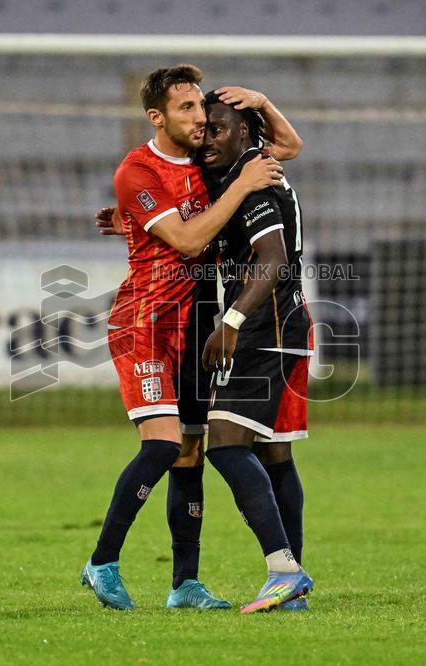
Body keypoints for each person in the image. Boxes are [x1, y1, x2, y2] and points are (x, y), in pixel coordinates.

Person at [88, 72, 304, 611]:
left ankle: (186, 584)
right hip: (148, 323)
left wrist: (261, 101)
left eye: (204, 114)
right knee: (169, 445)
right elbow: (187, 235)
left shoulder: (214, 165)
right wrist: (136, 218)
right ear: (157, 116)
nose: (200, 121)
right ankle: (102, 562)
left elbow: (283, 148)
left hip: (204, 321)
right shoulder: (141, 169)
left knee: (195, 448)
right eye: (187, 109)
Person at [199, 93, 314, 613]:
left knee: (224, 445)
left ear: (245, 133)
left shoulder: (252, 182)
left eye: (218, 130)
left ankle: (284, 569)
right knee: (274, 452)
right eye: (203, 131)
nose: (206, 141)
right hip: (287, 321)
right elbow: (291, 143)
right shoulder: (250, 166)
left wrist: (231, 321)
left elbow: (270, 260)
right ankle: (291, 588)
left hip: (264, 323)